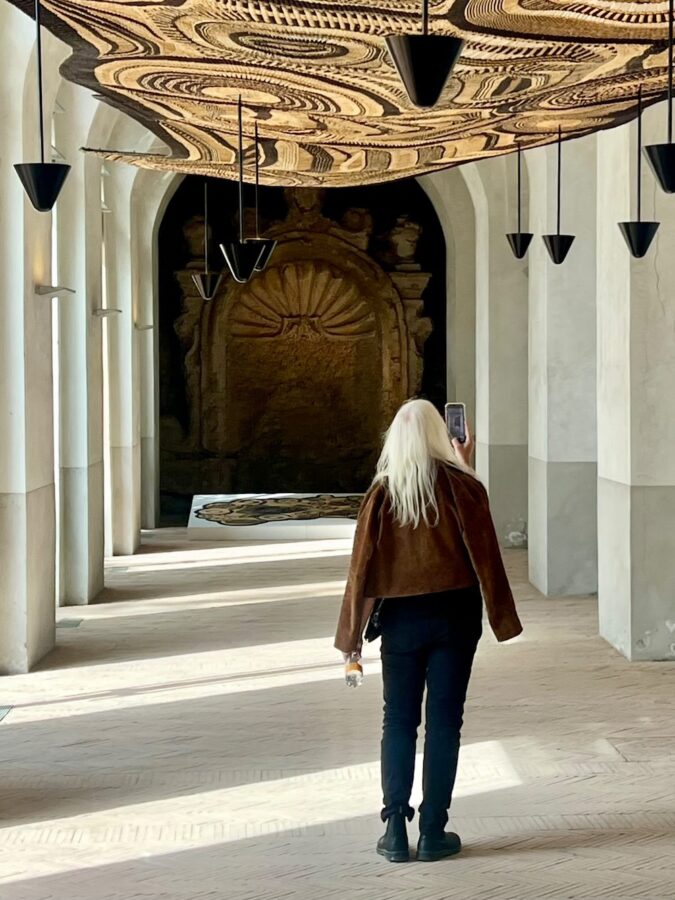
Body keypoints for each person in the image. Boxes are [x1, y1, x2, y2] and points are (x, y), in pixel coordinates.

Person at [334, 398, 522, 863]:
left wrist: (352, 639)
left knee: (398, 720)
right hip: (456, 618)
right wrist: (465, 464)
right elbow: (483, 548)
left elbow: (363, 573)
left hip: (402, 621)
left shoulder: (383, 493)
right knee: (445, 722)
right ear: (442, 433)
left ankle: (395, 828)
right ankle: (434, 830)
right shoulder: (463, 485)